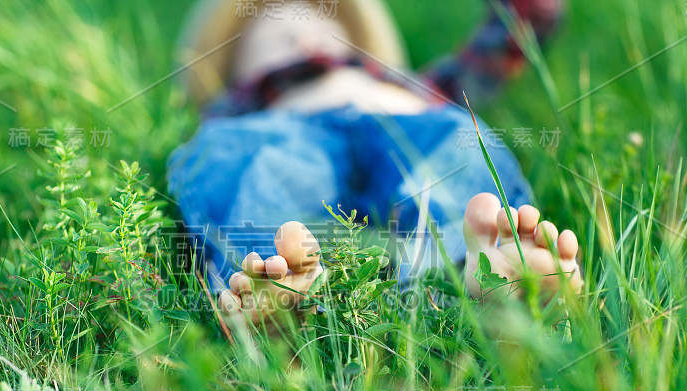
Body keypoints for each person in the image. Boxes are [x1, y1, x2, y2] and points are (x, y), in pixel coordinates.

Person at [168, 0, 581, 326]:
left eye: (322, 29)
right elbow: (213, 163)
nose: (305, 42)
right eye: (276, 40)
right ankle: (274, 280)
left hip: (407, 122)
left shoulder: (416, 84)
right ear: (238, 72)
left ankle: (474, 271)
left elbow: (518, 32)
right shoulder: (236, 110)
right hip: (287, 131)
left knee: (454, 150)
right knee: (258, 169)